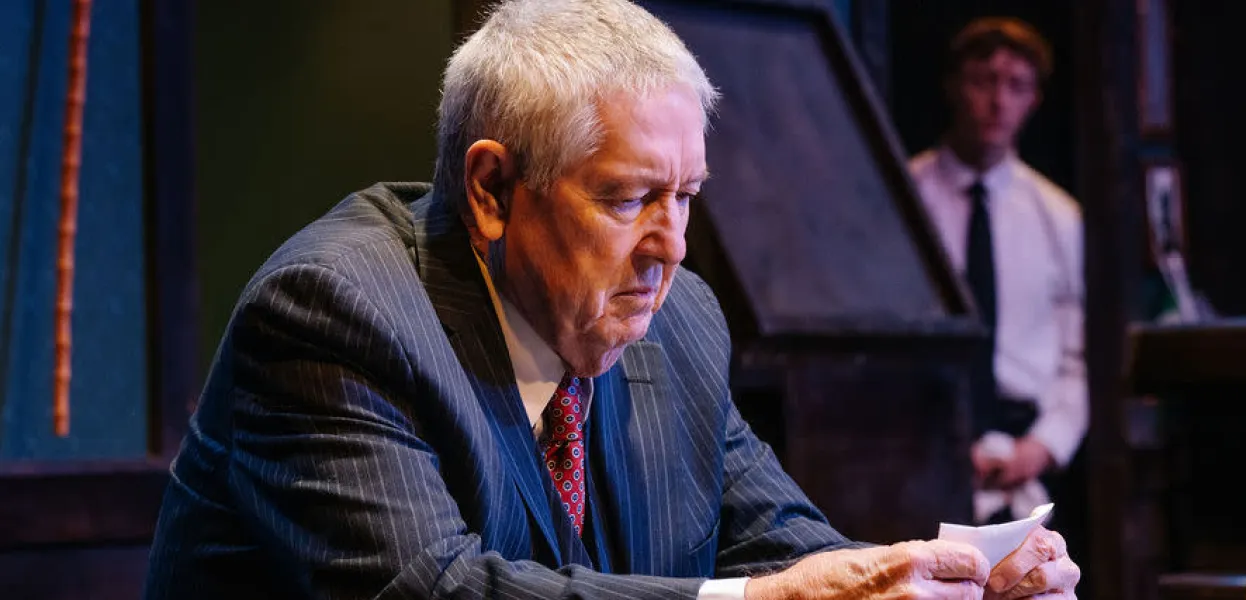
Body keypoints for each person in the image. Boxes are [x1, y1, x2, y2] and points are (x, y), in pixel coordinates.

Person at [144, 2, 1081, 599]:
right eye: (629, 199)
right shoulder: (335, 316)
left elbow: (784, 549)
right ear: (491, 190)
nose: (671, 249)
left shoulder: (681, 321)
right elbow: (437, 592)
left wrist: (949, 581)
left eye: (687, 197)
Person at [907, 18, 1088, 527]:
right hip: (924, 447)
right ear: (953, 86)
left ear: (1034, 100)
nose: (998, 101)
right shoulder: (907, 198)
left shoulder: (1058, 216)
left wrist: (1043, 445)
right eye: (983, 81)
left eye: (1016, 86)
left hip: (1025, 458)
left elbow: (1079, 357)